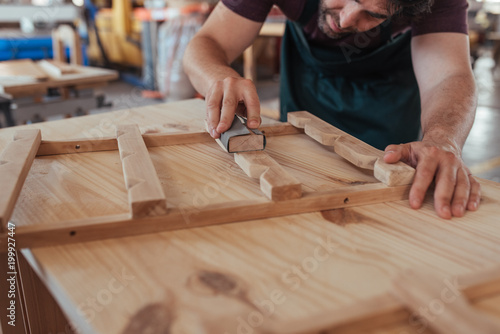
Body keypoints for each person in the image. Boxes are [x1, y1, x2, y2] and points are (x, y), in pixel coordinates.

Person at [183, 0, 481, 219]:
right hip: (308, 73)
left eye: (373, 14)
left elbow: (449, 75)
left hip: (387, 87)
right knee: (299, 188)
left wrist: (443, 139)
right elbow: (207, 42)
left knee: (389, 202)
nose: (347, 19)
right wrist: (217, 77)